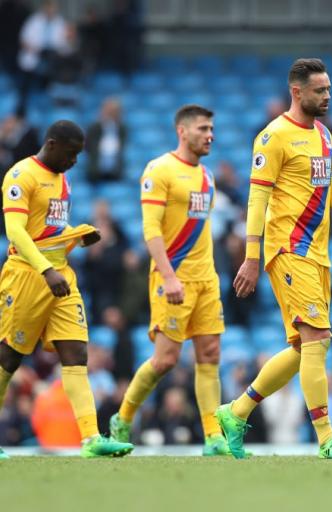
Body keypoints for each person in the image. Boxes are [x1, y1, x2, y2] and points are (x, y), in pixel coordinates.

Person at [215, 58, 332, 459]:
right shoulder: (273, 138)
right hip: (287, 250)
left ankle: (237, 410)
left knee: (305, 348)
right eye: (320, 91)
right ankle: (326, 438)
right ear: (297, 92)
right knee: (317, 340)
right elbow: (257, 199)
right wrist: (251, 256)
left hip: (318, 255)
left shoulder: (323, 135)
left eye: (330, 89)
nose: (328, 96)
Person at [0, 120, 134, 459]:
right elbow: (16, 232)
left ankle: (90, 439)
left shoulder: (63, 180)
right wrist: (45, 270)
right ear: (52, 144)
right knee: (9, 358)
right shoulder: (21, 176)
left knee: (76, 353)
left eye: (78, 155)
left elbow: (49, 229)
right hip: (27, 276)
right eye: (71, 154)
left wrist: (77, 234)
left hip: (60, 277)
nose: (74, 161)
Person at [109, 105, 230, 457]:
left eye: (212, 129)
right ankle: (122, 417)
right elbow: (151, 230)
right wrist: (169, 276)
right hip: (172, 279)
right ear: (183, 131)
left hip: (206, 279)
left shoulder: (208, 177)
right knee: (165, 360)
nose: (211, 135)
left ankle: (213, 437)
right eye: (204, 129)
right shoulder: (159, 170)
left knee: (210, 353)